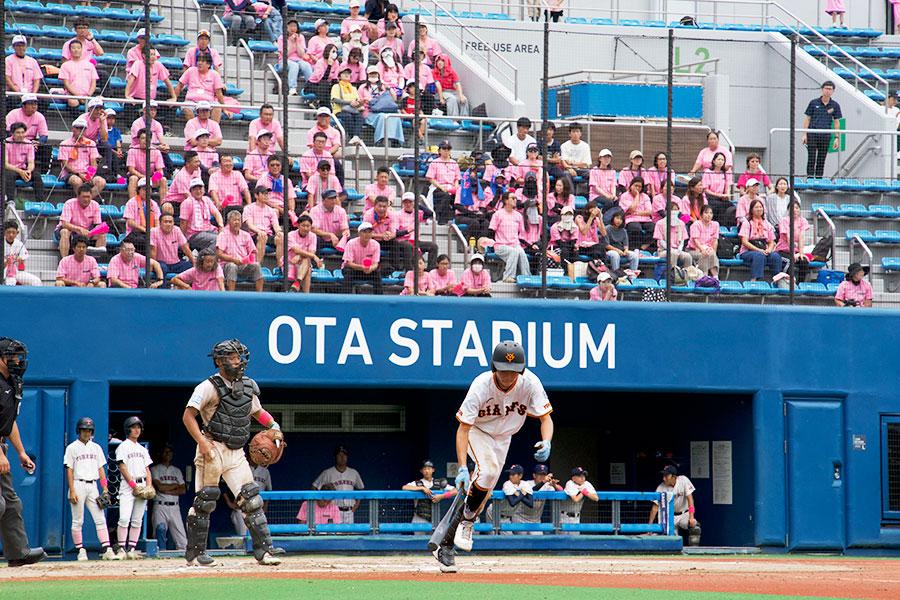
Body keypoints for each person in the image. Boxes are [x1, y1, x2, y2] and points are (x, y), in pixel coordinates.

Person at [434, 341, 553, 573]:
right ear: (493, 367)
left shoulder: (530, 383)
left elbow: (546, 418)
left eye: (514, 370)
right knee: (487, 472)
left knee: (483, 494)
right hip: (478, 432)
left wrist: (547, 440)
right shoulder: (481, 385)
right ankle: (467, 523)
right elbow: (463, 429)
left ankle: (446, 546)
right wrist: (461, 466)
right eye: (503, 369)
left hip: (504, 437)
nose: (508, 375)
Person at [181, 339, 283, 566]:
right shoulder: (207, 387)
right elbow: (188, 416)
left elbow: (258, 412)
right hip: (212, 447)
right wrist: (203, 443)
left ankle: (264, 551)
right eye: (232, 358)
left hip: (236, 451)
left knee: (250, 499)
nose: (238, 362)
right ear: (219, 361)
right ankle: (196, 554)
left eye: (239, 357)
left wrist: (274, 426)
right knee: (205, 500)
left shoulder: (247, 386)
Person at [0, 338, 47, 567]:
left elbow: (9, 422)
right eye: (13, 356)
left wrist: (20, 452)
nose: (18, 361)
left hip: (2, 446)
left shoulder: (13, 383)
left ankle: (18, 553)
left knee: (11, 503)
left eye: (19, 356)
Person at [65, 416, 117, 560]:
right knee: (78, 520)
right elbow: (69, 469)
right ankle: (80, 550)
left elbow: (101, 469)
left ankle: (107, 549)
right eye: (84, 430)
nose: (87, 433)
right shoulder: (72, 447)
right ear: (79, 431)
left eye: (89, 430)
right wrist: (72, 490)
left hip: (93, 485)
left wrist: (105, 489)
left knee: (100, 518)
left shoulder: (96, 448)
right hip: (78, 483)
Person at [114, 416, 153, 560]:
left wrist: (148, 486)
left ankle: (131, 548)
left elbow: (147, 469)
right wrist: (133, 486)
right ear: (128, 429)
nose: (137, 430)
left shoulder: (142, 449)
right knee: (124, 518)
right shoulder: (123, 446)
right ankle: (121, 549)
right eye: (134, 427)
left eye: (138, 427)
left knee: (137, 519)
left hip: (141, 483)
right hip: (128, 485)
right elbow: (123, 468)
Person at [648, 465, 700, 546]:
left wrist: (691, 516)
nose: (664, 478)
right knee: (671, 541)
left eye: (666, 476)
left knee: (695, 527)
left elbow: (690, 499)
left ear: (674, 476)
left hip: (683, 514)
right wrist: (649, 528)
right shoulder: (661, 487)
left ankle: (694, 552)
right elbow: (655, 508)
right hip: (670, 516)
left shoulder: (683, 480)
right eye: (663, 475)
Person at [313, 445, 365, 524]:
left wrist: (356, 506)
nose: (342, 457)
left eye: (344, 455)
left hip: (349, 511)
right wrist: (322, 502)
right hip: (333, 510)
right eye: (339, 455)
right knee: (334, 534)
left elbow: (361, 489)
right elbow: (314, 487)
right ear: (335, 457)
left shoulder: (354, 473)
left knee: (349, 534)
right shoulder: (327, 473)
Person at [150, 445, 187, 551]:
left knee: (182, 540)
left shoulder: (176, 471)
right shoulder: (155, 469)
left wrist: (166, 490)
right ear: (161, 454)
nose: (167, 454)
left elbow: (183, 490)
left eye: (169, 452)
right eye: (165, 452)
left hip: (175, 506)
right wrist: (175, 486)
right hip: (160, 506)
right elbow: (160, 487)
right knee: (159, 533)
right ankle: (159, 558)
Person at [58, 117, 106, 199]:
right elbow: (65, 164)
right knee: (77, 181)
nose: (81, 131)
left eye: (83, 128)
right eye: (78, 128)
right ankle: (81, 201)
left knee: (101, 182)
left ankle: (86, 200)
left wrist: (90, 175)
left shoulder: (91, 143)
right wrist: (79, 174)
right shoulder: (65, 143)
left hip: (86, 173)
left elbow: (94, 162)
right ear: (72, 129)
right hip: (71, 174)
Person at [489, 192, 531, 283]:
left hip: (515, 244)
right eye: (513, 198)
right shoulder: (497, 214)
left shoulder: (518, 216)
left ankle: (526, 277)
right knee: (514, 252)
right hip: (501, 245)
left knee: (522, 254)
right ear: (505, 201)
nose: (515, 200)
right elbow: (491, 230)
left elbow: (521, 232)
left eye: (516, 198)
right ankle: (507, 277)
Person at [803, 81, 842, 178]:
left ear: (833, 91)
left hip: (826, 135)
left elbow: (837, 122)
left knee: (821, 158)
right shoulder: (813, 103)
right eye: (826, 88)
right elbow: (808, 119)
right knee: (811, 157)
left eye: (830, 89)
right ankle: (810, 178)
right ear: (822, 89)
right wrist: (804, 134)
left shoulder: (835, 105)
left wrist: (836, 137)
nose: (828, 91)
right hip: (813, 133)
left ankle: (819, 179)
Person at [217, 210, 264, 292]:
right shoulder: (223, 235)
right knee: (232, 266)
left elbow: (253, 252)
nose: (237, 222)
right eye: (234, 220)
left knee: (256, 265)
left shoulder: (246, 235)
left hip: (243, 264)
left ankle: (260, 293)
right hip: (227, 265)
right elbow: (219, 254)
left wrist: (248, 260)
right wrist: (234, 260)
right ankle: (232, 294)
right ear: (228, 222)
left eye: (239, 220)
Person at [228, 451, 272, 537]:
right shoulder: (241, 469)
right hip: (242, 507)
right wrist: (229, 503)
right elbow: (224, 486)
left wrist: (265, 506)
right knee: (244, 535)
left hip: (259, 507)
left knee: (260, 535)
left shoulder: (265, 471)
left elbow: (268, 490)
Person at [56, 186, 106, 258]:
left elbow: (97, 224)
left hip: (87, 232)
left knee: (102, 234)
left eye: (88, 197)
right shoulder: (69, 203)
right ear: (78, 197)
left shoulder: (95, 205)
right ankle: (64, 260)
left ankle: (95, 262)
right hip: (71, 231)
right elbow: (65, 224)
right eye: (83, 197)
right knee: (64, 232)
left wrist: (97, 230)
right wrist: (79, 229)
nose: (86, 199)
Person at [174, 54, 226, 122]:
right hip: (191, 101)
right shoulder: (190, 70)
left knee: (218, 108)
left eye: (202, 61)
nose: (199, 63)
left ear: (208, 65)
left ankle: (213, 130)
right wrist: (174, 98)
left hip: (209, 101)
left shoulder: (215, 74)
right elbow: (179, 86)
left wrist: (224, 109)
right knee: (186, 109)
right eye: (198, 61)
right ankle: (196, 129)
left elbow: (219, 93)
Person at [738, 199, 781, 282]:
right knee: (759, 256)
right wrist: (759, 250)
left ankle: (776, 280)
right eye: (756, 207)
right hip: (748, 251)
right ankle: (753, 281)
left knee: (775, 256)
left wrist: (769, 250)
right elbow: (744, 241)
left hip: (763, 250)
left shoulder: (767, 224)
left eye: (760, 207)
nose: (759, 209)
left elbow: (771, 241)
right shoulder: (747, 223)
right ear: (751, 210)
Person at [5, 94, 49, 174]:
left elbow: (44, 135)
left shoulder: (40, 116)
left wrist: (38, 143)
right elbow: (8, 132)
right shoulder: (13, 114)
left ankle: (44, 174)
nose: (34, 106)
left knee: (47, 148)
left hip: (32, 142)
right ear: (23, 106)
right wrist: (23, 141)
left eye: (35, 104)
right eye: (31, 104)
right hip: (15, 141)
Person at [360, 67, 403, 147]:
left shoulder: (382, 87)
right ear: (367, 75)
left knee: (395, 117)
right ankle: (379, 140)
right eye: (371, 74)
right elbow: (359, 103)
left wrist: (389, 88)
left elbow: (394, 98)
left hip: (385, 110)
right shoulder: (363, 87)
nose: (373, 76)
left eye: (375, 74)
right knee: (382, 117)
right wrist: (365, 99)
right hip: (370, 112)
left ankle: (396, 140)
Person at [403, 460, 456, 525]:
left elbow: (456, 490)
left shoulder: (439, 483)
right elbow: (404, 487)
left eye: (429, 469)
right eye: (425, 469)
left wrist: (442, 496)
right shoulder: (417, 483)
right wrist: (422, 488)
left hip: (435, 518)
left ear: (433, 470)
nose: (427, 471)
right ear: (421, 471)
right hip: (419, 518)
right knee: (418, 535)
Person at [243, 185, 284, 267]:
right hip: (254, 235)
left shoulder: (271, 210)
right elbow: (250, 225)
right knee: (262, 237)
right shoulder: (249, 208)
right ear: (256, 195)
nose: (266, 196)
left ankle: (280, 267)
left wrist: (279, 232)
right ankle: (256, 265)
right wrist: (259, 232)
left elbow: (275, 225)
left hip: (267, 234)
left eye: (267, 194)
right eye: (263, 194)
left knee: (281, 238)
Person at [180, 178, 224, 252]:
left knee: (225, 236)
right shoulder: (187, 203)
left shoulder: (206, 200)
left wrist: (221, 226)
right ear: (190, 191)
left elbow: (217, 213)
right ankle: (204, 259)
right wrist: (183, 240)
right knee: (217, 240)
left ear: (204, 190)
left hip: (209, 230)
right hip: (194, 234)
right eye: (195, 189)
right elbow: (183, 223)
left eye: (200, 189)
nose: (198, 191)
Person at [396, 191, 437, 269]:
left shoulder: (417, 213)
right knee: (408, 245)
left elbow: (430, 213)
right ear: (403, 203)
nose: (408, 204)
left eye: (410, 202)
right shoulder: (398, 214)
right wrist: (407, 231)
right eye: (406, 202)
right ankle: (409, 270)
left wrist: (418, 205)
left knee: (433, 246)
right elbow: (396, 232)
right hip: (402, 241)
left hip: (415, 241)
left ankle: (430, 270)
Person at [4, 122, 42, 206]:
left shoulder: (29, 144)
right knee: (9, 175)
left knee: (37, 176)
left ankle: (40, 202)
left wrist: (28, 171)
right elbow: (5, 164)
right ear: (12, 133)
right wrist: (20, 171)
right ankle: (10, 201)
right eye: (18, 133)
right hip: (10, 169)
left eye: (22, 132)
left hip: (23, 169)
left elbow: (31, 162)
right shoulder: (5, 143)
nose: (21, 135)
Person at [427, 140, 462, 225]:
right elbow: (430, 178)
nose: (446, 151)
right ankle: (439, 218)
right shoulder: (435, 162)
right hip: (438, 187)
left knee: (458, 195)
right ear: (439, 150)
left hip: (451, 187)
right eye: (444, 148)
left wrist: (455, 188)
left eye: (448, 148)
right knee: (445, 195)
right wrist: (441, 187)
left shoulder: (454, 163)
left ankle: (455, 218)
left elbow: (457, 178)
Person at [341, 221, 383, 294]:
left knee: (377, 272)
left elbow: (375, 264)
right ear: (359, 233)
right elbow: (349, 263)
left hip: (367, 271)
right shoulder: (351, 243)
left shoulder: (376, 245)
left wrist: (370, 268)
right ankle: (346, 298)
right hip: (354, 269)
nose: (367, 234)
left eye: (369, 232)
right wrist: (362, 267)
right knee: (348, 271)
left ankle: (379, 299)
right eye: (365, 232)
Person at [517, 464, 560, 534]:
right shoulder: (526, 483)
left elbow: (559, 492)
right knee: (521, 542)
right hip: (520, 517)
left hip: (535, 520)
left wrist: (554, 485)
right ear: (534, 475)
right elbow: (531, 491)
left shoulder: (547, 486)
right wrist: (543, 482)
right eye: (540, 474)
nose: (542, 477)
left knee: (538, 542)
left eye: (544, 475)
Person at [123, 178, 161, 253]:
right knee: (141, 241)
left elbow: (157, 221)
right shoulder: (131, 202)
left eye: (148, 189)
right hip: (135, 233)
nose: (146, 191)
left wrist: (155, 231)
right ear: (139, 190)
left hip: (150, 233)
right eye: (144, 189)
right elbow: (130, 222)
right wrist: (145, 230)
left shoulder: (154, 204)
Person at [776, 200, 810, 283]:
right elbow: (788, 237)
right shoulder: (785, 221)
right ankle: (788, 282)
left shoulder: (802, 221)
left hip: (796, 251)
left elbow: (802, 237)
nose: (795, 210)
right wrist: (793, 253)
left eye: (797, 208)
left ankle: (801, 283)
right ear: (788, 210)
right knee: (791, 261)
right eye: (792, 208)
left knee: (804, 261)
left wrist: (801, 253)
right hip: (784, 250)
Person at [58, 40, 99, 108]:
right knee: (73, 102)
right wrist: (79, 97)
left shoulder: (90, 65)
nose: (76, 50)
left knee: (100, 99)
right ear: (70, 50)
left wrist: (88, 96)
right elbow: (67, 84)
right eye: (73, 48)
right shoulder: (65, 65)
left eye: (78, 48)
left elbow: (93, 83)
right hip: (72, 96)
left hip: (87, 96)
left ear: (82, 49)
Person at [278, 21, 314, 96]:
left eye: (294, 26)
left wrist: (297, 42)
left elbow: (301, 55)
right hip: (284, 61)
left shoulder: (301, 37)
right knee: (294, 65)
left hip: (298, 60)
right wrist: (291, 42)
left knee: (306, 65)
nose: (292, 28)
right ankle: (292, 88)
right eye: (290, 26)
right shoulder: (282, 38)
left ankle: (311, 86)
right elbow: (285, 55)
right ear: (287, 27)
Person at [287, 214, 321, 293]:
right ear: (298, 225)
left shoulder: (313, 236)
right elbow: (296, 250)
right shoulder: (291, 235)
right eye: (303, 225)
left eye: (308, 226)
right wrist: (314, 256)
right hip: (291, 263)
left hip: (303, 264)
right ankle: (306, 296)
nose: (306, 228)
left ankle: (297, 283)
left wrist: (299, 256)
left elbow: (311, 252)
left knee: (306, 262)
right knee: (308, 269)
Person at [310, 189, 350, 254]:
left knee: (349, 241)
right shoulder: (315, 210)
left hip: (336, 238)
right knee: (314, 238)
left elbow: (345, 229)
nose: (333, 200)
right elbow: (315, 230)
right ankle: (314, 263)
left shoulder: (341, 210)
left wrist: (346, 233)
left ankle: (344, 263)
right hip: (321, 239)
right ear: (323, 201)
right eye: (330, 198)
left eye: (334, 198)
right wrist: (330, 235)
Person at [619, 177, 654, 251]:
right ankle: (635, 248)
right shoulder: (625, 196)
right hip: (631, 219)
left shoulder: (645, 196)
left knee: (653, 227)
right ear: (631, 185)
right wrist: (637, 195)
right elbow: (632, 208)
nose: (637, 188)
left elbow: (649, 211)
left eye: (640, 186)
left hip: (645, 219)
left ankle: (643, 247)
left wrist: (636, 213)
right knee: (636, 228)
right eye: (635, 186)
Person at [331, 67, 363, 143]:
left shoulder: (353, 88)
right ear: (339, 76)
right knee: (348, 117)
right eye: (344, 73)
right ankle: (353, 136)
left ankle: (355, 136)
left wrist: (357, 103)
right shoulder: (336, 86)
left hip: (353, 110)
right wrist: (349, 103)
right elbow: (335, 99)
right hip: (339, 110)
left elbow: (357, 99)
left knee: (360, 118)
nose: (347, 75)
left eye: (348, 73)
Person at [3, 221, 40, 286]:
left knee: (36, 281)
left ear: (17, 233)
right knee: (10, 283)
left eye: (13, 232)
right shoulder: (1, 243)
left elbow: (21, 269)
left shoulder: (19, 244)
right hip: (4, 273)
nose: (11, 235)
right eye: (8, 232)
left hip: (17, 273)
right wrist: (6, 263)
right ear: (4, 232)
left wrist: (20, 262)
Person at [701, 152, 733, 226]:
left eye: (722, 160)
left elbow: (727, 186)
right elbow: (706, 189)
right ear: (714, 161)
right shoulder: (708, 173)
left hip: (722, 198)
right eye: (719, 159)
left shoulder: (725, 173)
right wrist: (717, 195)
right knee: (719, 206)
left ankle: (726, 227)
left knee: (730, 206)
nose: (721, 161)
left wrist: (726, 194)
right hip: (711, 197)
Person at [688, 205, 720, 277]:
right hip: (693, 249)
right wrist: (702, 250)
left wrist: (713, 252)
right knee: (704, 254)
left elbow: (715, 240)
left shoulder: (715, 224)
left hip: (708, 248)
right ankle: (703, 275)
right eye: (706, 213)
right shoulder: (696, 224)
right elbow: (695, 240)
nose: (709, 215)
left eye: (711, 213)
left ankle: (715, 276)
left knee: (712, 254)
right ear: (701, 214)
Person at [307, 43, 342, 110]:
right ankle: (322, 106)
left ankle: (318, 103)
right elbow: (322, 78)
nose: (335, 53)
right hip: (314, 84)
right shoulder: (320, 62)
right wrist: (329, 66)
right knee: (324, 85)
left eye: (336, 52)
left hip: (326, 86)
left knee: (328, 89)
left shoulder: (336, 63)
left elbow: (335, 78)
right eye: (333, 52)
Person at [500, 465, 533, 533]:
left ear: (520, 476)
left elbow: (531, 504)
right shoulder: (507, 484)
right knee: (492, 534)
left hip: (506, 516)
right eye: (510, 474)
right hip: (495, 512)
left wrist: (520, 496)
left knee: (508, 538)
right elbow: (512, 503)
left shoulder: (525, 485)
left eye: (513, 474)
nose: (510, 476)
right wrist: (522, 495)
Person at [559, 123, 592, 191]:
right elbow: (564, 162)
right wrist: (570, 169)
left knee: (591, 173)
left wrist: (571, 164)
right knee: (566, 174)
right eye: (573, 132)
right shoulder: (564, 146)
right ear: (569, 133)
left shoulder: (585, 146)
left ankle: (590, 195)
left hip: (583, 170)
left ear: (580, 133)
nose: (575, 134)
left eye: (577, 131)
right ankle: (571, 196)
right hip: (569, 170)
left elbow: (585, 163)